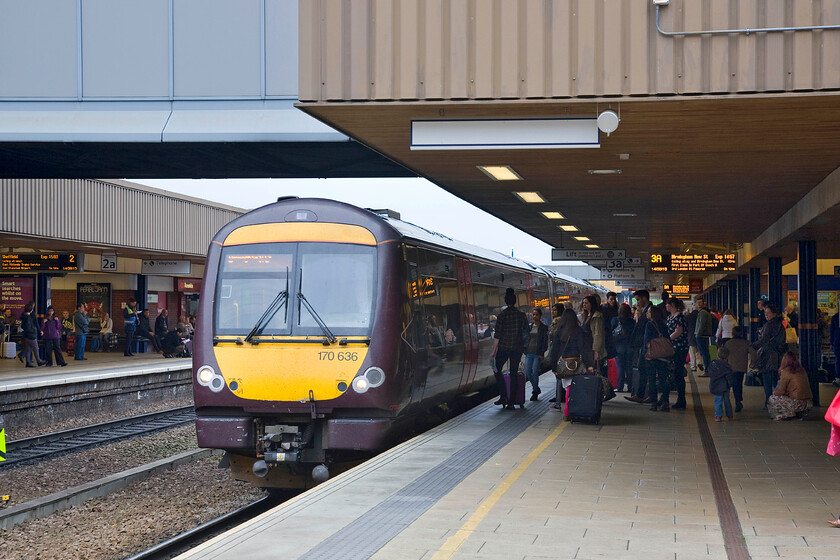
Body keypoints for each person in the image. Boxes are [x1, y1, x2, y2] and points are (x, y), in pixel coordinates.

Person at [543, 308, 594, 410]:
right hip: (577, 363)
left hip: (564, 364)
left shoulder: (559, 331)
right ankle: (573, 409)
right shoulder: (579, 331)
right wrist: (589, 365)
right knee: (576, 387)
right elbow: (583, 349)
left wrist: (554, 368)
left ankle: (567, 409)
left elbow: (555, 351)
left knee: (568, 388)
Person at [491, 288, 528, 410]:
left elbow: (497, 335)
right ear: (515, 301)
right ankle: (511, 402)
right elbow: (526, 332)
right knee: (513, 373)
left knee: (497, 369)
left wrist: (493, 352)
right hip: (517, 348)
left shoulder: (502, 316)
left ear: (506, 301)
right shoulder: (521, 315)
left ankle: (503, 396)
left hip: (504, 347)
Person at [751, 302, 786, 407]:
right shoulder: (781, 325)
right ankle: (777, 401)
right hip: (779, 355)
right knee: (776, 380)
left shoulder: (769, 325)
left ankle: (768, 402)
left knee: (767, 380)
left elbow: (763, 340)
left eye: (768, 313)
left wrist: (752, 345)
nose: (766, 315)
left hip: (768, 356)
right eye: (765, 313)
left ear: (774, 314)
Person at [767, 352, 813, 421]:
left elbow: (781, 391)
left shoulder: (786, 371)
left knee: (772, 398)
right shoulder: (801, 370)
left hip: (796, 403)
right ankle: (799, 414)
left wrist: (774, 393)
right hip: (808, 402)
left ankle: (783, 415)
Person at [625, 290, 652, 404]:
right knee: (642, 369)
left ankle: (647, 395)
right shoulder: (643, 311)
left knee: (647, 370)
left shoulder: (650, 311)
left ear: (645, 298)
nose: (637, 302)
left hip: (648, 345)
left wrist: (639, 318)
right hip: (643, 345)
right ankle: (641, 394)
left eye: (638, 299)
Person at [644, 305, 672, 412]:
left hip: (652, 356)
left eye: (649, 311)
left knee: (651, 380)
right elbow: (668, 339)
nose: (647, 313)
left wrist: (645, 354)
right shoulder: (663, 324)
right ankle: (665, 402)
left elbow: (646, 340)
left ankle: (654, 403)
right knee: (663, 380)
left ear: (653, 314)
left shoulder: (649, 324)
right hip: (663, 357)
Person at [665, 298, 689, 409]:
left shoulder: (680, 317)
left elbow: (678, 331)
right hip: (671, 348)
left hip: (679, 348)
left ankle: (681, 399)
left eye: (668, 304)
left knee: (678, 372)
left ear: (673, 305)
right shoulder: (669, 317)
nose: (666, 306)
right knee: (674, 372)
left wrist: (667, 340)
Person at [722, 327, 750, 412]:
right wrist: (753, 362)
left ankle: (731, 402)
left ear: (732, 334)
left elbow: (724, 354)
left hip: (731, 367)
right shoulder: (746, 343)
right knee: (738, 384)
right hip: (741, 368)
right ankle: (738, 401)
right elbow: (753, 353)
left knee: (731, 385)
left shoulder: (728, 343)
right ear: (741, 333)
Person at [523, 308, 548, 401]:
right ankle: (536, 388)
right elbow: (525, 338)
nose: (534, 317)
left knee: (535, 373)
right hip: (529, 352)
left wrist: (542, 353)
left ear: (540, 316)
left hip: (538, 353)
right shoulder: (529, 327)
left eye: (536, 315)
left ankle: (534, 392)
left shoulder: (544, 327)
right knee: (527, 372)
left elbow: (545, 342)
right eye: (533, 315)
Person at [611, 303, 635, 393]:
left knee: (620, 367)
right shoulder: (632, 321)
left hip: (618, 347)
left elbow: (611, 333)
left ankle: (620, 387)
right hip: (629, 347)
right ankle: (630, 386)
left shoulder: (615, 320)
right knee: (629, 368)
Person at [708, 345, 734, 422]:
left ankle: (718, 416)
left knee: (718, 400)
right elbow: (730, 377)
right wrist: (730, 384)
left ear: (717, 355)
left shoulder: (713, 364)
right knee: (727, 400)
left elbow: (709, 372)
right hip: (725, 386)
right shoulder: (727, 366)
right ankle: (729, 415)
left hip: (716, 385)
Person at [19, 301, 45, 367]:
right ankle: (39, 361)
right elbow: (30, 326)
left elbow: (23, 326)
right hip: (31, 335)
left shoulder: (24, 316)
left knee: (29, 348)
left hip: (26, 335)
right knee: (36, 347)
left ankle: (28, 362)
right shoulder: (29, 317)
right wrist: (35, 330)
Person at [694, 297, 714, 377]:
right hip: (704, 335)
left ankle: (707, 370)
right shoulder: (706, 312)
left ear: (704, 303)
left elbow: (701, 324)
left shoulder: (702, 313)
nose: (699, 304)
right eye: (697, 303)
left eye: (700, 303)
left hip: (701, 335)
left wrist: (697, 334)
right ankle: (708, 369)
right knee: (705, 353)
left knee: (704, 353)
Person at [831, 311, 840, 386]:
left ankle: (838, 378)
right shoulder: (835, 317)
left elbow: (832, 331)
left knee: (838, 359)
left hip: (837, 340)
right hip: (837, 341)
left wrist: (832, 343)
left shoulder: (835, 317)